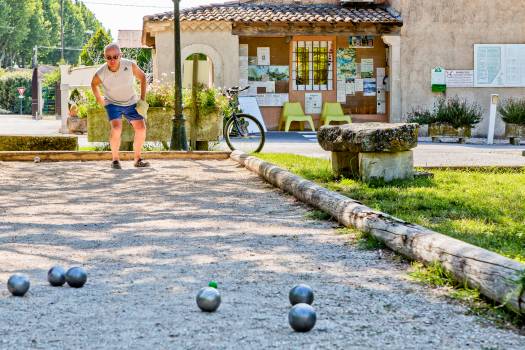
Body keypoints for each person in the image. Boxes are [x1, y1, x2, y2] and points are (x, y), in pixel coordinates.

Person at [91, 43, 150, 169]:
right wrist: (99, 98)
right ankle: (115, 160)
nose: (112, 60)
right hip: (113, 103)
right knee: (116, 128)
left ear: (120, 56)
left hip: (131, 102)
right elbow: (93, 83)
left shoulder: (129, 65)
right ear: (105, 57)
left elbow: (143, 77)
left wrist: (142, 100)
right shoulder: (102, 72)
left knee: (141, 128)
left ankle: (138, 159)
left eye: (115, 57)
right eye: (109, 57)